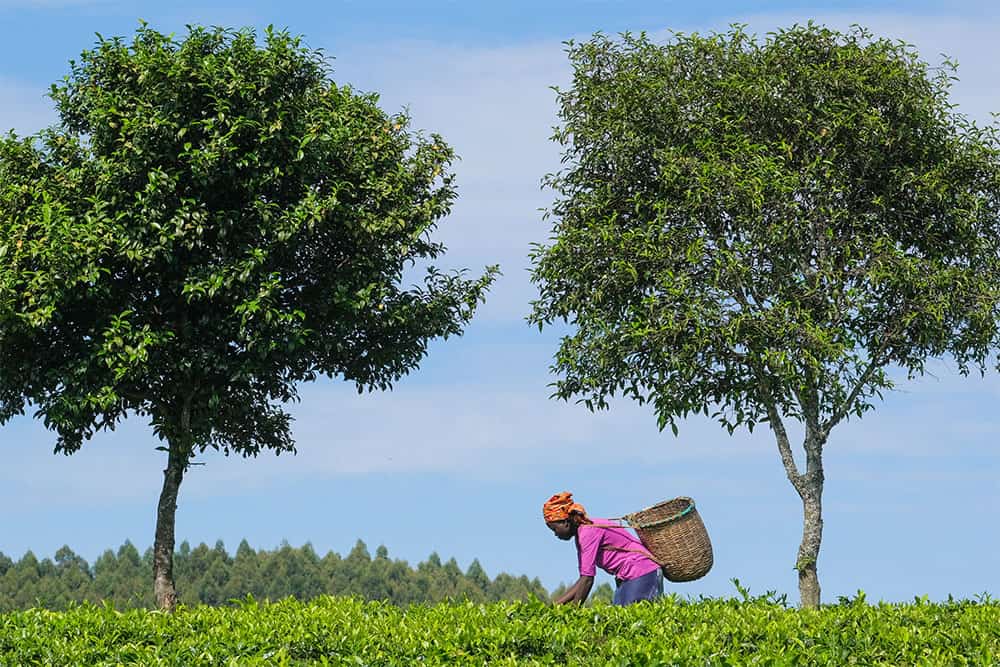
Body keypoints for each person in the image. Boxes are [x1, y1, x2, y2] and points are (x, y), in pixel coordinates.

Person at [543, 491, 663, 606]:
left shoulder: (587, 532)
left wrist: (575, 612)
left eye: (554, 529)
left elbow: (587, 579)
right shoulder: (582, 533)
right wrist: (555, 606)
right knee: (619, 621)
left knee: (631, 622)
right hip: (629, 576)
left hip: (641, 571)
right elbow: (582, 580)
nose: (555, 534)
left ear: (565, 522)